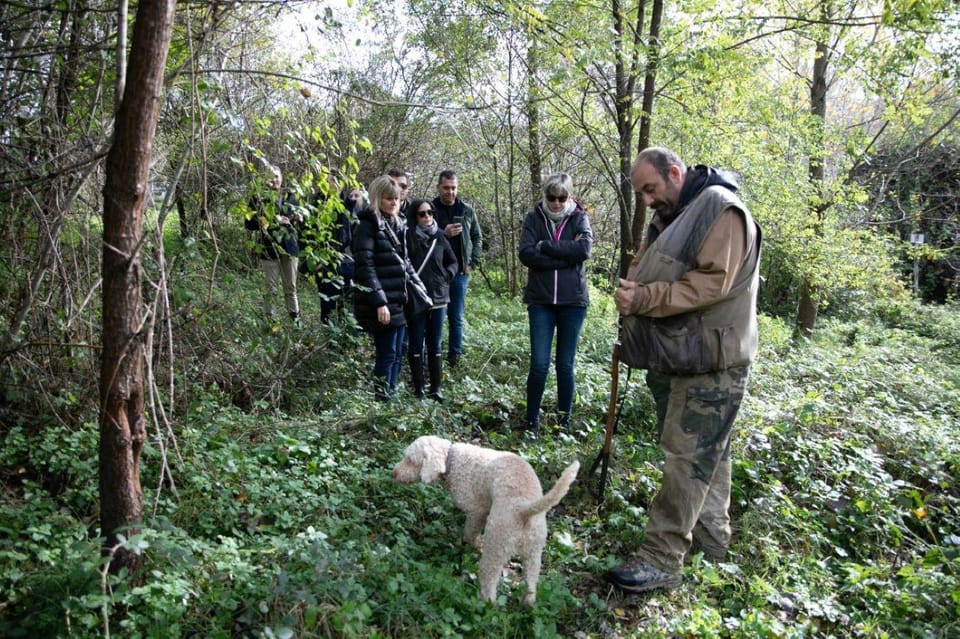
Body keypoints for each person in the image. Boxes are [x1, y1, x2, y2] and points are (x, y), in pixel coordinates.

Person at [606, 147, 762, 593]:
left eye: (650, 188)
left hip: (713, 362)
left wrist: (643, 298)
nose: (647, 200)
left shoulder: (720, 209)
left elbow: (710, 284)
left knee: (686, 461)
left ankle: (662, 559)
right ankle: (713, 547)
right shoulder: (682, 210)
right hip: (691, 356)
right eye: (640, 193)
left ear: (674, 173)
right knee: (708, 458)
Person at [517, 173, 593, 438]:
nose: (558, 203)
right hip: (541, 301)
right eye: (552, 197)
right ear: (545, 196)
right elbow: (526, 254)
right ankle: (531, 422)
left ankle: (563, 424)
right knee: (539, 364)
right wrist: (565, 257)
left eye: (563, 197)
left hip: (573, 302)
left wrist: (547, 247)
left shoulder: (580, 217)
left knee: (565, 365)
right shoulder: (533, 218)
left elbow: (583, 251)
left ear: (569, 196)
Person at [352, 175, 422, 401]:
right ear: (377, 198)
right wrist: (380, 301)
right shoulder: (367, 225)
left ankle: (389, 397)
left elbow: (405, 263)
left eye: (397, 199)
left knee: (398, 352)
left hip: (398, 299)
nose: (394, 203)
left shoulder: (397, 224)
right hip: (382, 300)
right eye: (388, 198)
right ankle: (382, 402)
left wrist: (420, 291)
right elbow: (365, 266)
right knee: (386, 353)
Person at [405, 199, 458, 401]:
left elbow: (453, 261)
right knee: (416, 343)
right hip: (417, 298)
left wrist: (447, 275)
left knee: (435, 344)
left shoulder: (440, 237)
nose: (427, 217)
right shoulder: (408, 237)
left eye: (430, 212)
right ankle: (418, 388)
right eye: (422, 213)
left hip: (438, 297)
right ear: (415, 216)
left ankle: (436, 388)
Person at [431, 170, 482, 367]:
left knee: (456, 316)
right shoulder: (430, 209)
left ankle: (454, 358)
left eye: (453, 188)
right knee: (435, 316)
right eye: (446, 188)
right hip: (436, 272)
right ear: (439, 187)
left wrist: (472, 262)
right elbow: (420, 236)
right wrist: (443, 233)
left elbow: (477, 237)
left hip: (460, 272)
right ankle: (432, 356)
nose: (450, 192)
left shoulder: (466, 210)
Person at [244, 166, 303, 326]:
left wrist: (298, 219)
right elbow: (249, 223)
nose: (274, 179)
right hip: (268, 249)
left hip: (290, 248)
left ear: (282, 178)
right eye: (270, 176)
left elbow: (301, 223)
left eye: (276, 176)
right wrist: (271, 220)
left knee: (290, 288)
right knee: (271, 289)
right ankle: (271, 324)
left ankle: (296, 322)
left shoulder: (291, 197)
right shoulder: (258, 198)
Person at [317, 185, 362, 324]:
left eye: (357, 196)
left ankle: (345, 340)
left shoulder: (362, 216)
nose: (353, 199)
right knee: (327, 307)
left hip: (350, 265)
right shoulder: (322, 206)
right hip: (328, 264)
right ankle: (329, 340)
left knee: (347, 306)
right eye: (351, 196)